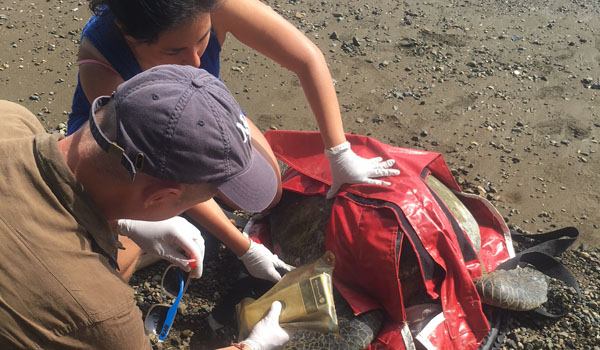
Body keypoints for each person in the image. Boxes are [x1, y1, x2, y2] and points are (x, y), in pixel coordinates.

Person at [68, 0, 401, 282]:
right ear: (130, 36)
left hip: (198, 113)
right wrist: (245, 247)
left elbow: (306, 59)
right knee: (116, 266)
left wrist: (339, 152)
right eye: (174, 51)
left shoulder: (211, 4)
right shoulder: (102, 59)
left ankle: (180, 219)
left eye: (202, 41)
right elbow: (158, 169)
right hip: (127, 156)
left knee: (266, 197)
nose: (196, 62)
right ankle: (142, 229)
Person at [0, 65, 289, 350]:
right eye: (204, 197)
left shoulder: (11, 118)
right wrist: (252, 346)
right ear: (159, 198)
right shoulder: (100, 314)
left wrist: (122, 223)